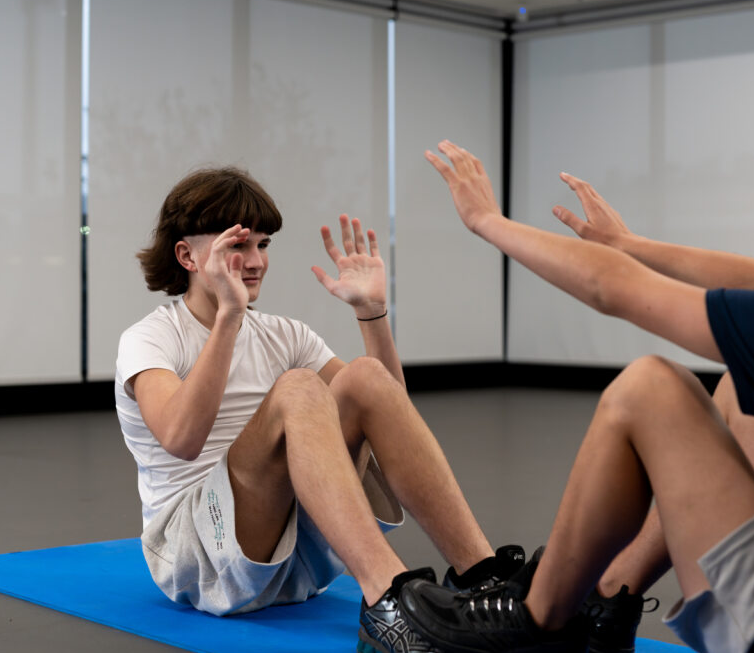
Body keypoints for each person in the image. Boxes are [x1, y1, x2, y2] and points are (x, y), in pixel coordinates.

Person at [397, 143, 754, 652]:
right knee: (741, 383)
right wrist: (628, 242)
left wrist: (487, 222)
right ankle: (609, 601)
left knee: (650, 387)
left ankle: (536, 621)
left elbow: (612, 289)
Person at [114, 167, 521, 653]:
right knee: (300, 388)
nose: (255, 261)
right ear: (187, 255)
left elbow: (388, 411)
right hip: (199, 557)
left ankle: (480, 576)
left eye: (263, 245)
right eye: (236, 246)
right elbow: (180, 441)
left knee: (365, 377)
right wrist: (229, 317)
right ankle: (388, 599)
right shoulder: (150, 339)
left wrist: (371, 314)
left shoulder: (285, 333)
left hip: (292, 555)